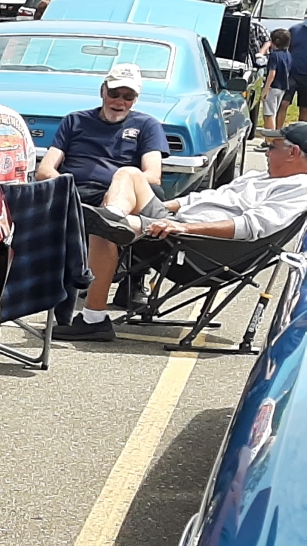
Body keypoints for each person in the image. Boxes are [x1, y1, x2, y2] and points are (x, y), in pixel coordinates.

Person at [36, 63, 168, 341]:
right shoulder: (75, 121)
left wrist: (118, 189)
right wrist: (68, 190)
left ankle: (111, 218)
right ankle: (94, 318)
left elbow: (152, 175)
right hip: (76, 195)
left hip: (122, 196)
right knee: (102, 225)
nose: (119, 101)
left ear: (135, 99)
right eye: (114, 93)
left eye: (128, 96)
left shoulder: (147, 125)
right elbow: (45, 170)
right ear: (102, 91)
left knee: (123, 179)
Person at [84, 123, 307, 246]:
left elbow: (249, 226)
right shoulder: (259, 177)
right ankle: (113, 215)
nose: (266, 153)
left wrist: (184, 228)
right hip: (176, 220)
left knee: (103, 228)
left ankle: (95, 312)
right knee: (130, 174)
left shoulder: (299, 188)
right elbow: (206, 196)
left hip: (194, 240)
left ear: (294, 152)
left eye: (272, 147)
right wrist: (162, 206)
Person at [267, 29, 294, 134]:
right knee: (274, 112)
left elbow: (272, 73)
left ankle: (269, 138)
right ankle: (273, 137)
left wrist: (265, 89)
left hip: (273, 87)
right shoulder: (288, 55)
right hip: (282, 87)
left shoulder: (274, 55)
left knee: (269, 114)